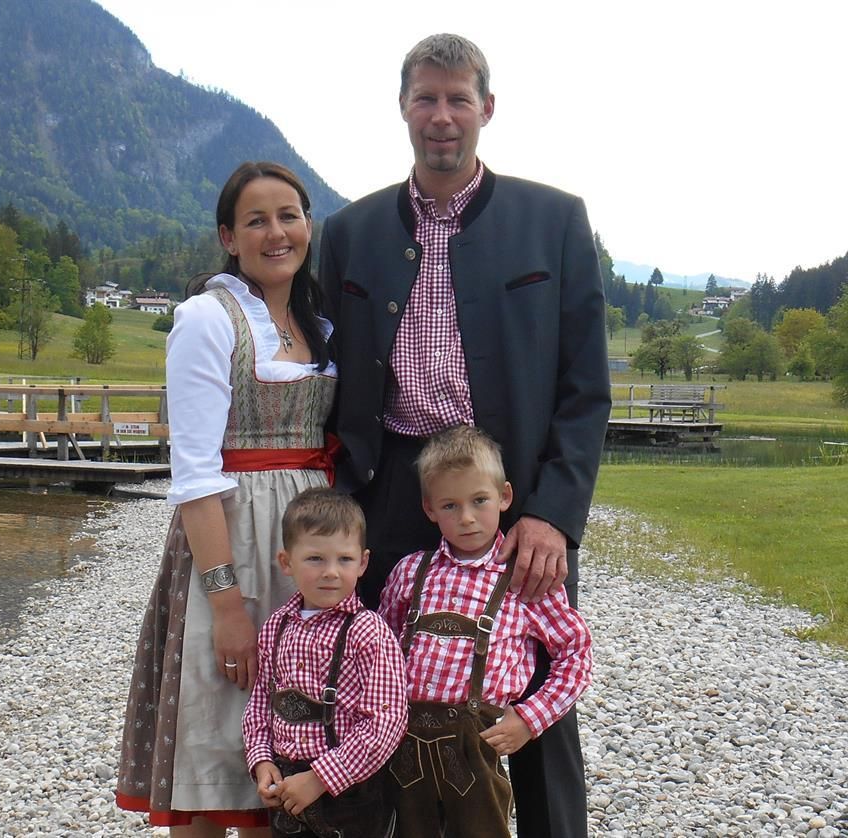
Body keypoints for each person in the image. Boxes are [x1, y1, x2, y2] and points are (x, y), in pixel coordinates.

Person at [318, 32, 611, 837]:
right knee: (378, 687)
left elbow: (586, 388)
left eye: (457, 99)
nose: (441, 116)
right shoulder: (350, 231)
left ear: (487, 108)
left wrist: (552, 514)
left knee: (535, 693)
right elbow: (320, 365)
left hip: (508, 495)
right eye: (426, 98)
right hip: (391, 492)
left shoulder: (553, 220)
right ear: (402, 107)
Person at [116, 161, 338, 837]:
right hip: (232, 543)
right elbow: (194, 475)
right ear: (228, 238)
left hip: (306, 548)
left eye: (289, 216)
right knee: (215, 741)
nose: (276, 233)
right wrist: (226, 604)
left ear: (308, 226)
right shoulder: (207, 320)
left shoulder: (319, 325)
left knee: (293, 751)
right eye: (256, 220)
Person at [377, 425, 592, 838]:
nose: (467, 518)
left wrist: (529, 718)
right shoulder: (411, 572)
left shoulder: (522, 579)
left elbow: (576, 652)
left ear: (504, 496)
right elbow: (381, 652)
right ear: (429, 509)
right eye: (450, 506)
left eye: (479, 501)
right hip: (404, 744)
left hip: (476, 746)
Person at [242, 487, 407, 838]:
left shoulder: (369, 632)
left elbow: (387, 721)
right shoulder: (276, 627)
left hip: (349, 791)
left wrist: (320, 778)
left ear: (363, 563)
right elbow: (260, 704)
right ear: (286, 562)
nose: (331, 572)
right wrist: (262, 760)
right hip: (287, 787)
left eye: (344, 559)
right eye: (315, 559)